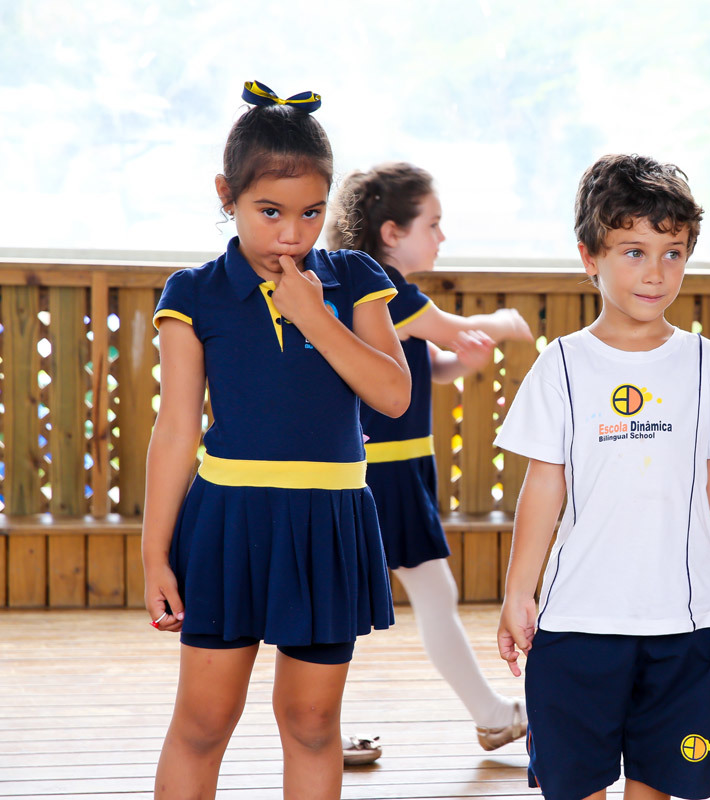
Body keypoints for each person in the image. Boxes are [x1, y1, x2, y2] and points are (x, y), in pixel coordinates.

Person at [142, 81, 410, 799]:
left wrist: (316, 317)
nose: (292, 234)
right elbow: (175, 431)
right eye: (270, 212)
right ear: (226, 195)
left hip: (330, 524)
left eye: (311, 213)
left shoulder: (354, 279)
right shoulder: (193, 292)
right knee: (203, 723)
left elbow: (393, 395)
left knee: (314, 724)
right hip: (228, 524)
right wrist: (153, 553)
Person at [495, 154, 710, 800]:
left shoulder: (707, 365)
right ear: (589, 257)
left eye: (673, 253)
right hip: (576, 625)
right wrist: (518, 592)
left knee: (659, 785)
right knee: (574, 787)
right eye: (634, 252)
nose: (656, 272)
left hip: (685, 625)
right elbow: (544, 486)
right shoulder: (562, 366)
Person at [327, 162, 535, 764]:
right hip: (381, 471)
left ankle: (489, 716)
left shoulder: (378, 290)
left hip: (396, 467)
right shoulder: (383, 287)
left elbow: (426, 366)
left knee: (362, 602)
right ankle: (490, 716)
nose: (442, 237)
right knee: (396, 597)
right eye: (433, 224)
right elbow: (451, 328)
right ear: (391, 232)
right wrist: (502, 323)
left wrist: (460, 363)